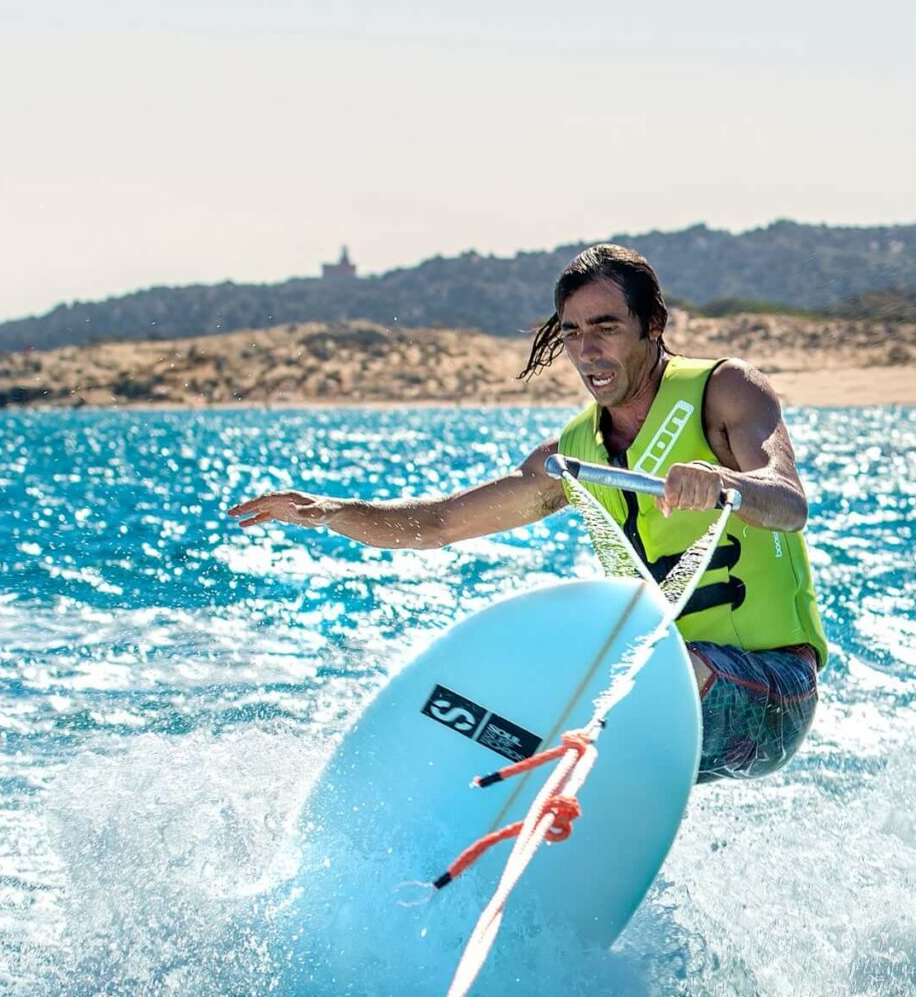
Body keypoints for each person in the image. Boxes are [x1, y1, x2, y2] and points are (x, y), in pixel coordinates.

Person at [227, 244, 827, 782]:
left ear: (653, 325)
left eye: (606, 327)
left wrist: (726, 484)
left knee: (648, 680)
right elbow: (437, 525)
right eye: (570, 333)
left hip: (770, 693)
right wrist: (327, 511)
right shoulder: (574, 457)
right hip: (666, 697)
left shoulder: (725, 390)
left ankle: (570, 782)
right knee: (532, 695)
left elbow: (787, 501)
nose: (586, 350)